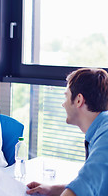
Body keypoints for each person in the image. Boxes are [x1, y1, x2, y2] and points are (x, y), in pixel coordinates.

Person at [26, 68, 108, 196]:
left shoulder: (106, 134)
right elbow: (94, 184)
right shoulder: (100, 131)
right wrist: (52, 190)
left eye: (66, 96)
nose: (63, 104)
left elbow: (85, 186)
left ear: (79, 100)